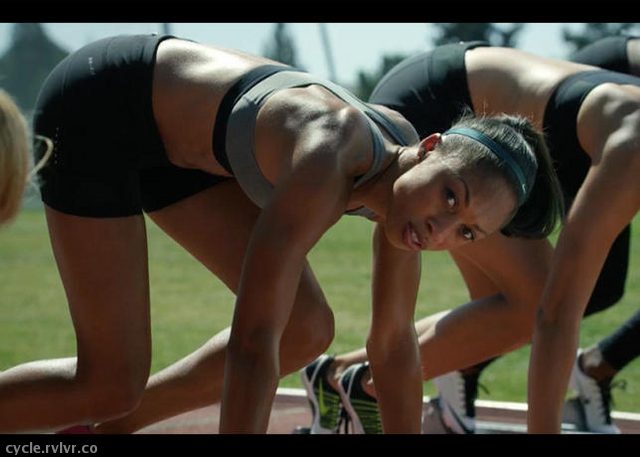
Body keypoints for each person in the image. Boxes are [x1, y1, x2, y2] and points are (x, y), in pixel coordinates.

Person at [0, 33, 561, 434]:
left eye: (467, 234)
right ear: (430, 148)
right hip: (101, 105)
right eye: (451, 197)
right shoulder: (330, 154)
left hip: (178, 153)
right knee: (108, 382)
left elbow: (392, 346)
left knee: (305, 328)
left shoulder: (402, 193)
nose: (441, 230)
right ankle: (106, 413)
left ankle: (107, 430)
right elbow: (252, 341)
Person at [300, 36, 640, 434]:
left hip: (474, 108)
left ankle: (342, 376)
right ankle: (359, 384)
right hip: (443, 111)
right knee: (536, 300)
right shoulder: (632, 148)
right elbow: (556, 313)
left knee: (508, 311)